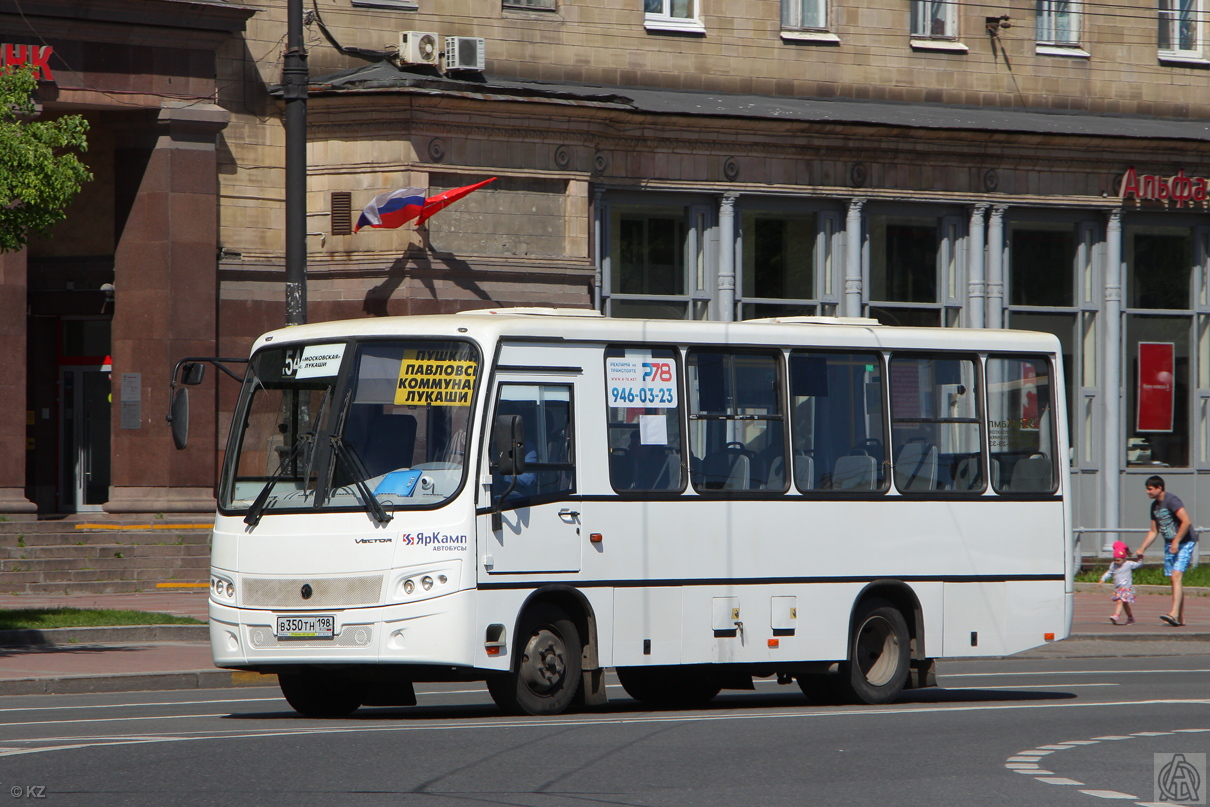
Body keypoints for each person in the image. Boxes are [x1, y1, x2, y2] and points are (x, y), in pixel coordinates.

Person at [1137, 475, 1198, 627]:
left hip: (1185, 541)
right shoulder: (1154, 507)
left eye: (1150, 489)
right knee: (1174, 578)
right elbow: (1153, 531)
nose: (1147, 492)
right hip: (1170, 543)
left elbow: (1186, 521)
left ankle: (1173, 613)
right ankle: (1180, 617)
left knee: (1176, 576)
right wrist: (1142, 548)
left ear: (1159, 488)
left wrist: (1176, 541)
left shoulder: (1172, 500)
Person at [1099, 540, 1142, 625]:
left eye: (1119, 560)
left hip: (1126, 588)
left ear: (1124, 558)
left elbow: (1138, 565)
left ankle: (1116, 616)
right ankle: (1130, 618)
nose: (1117, 562)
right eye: (1115, 560)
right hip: (1118, 588)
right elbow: (1109, 572)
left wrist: (1141, 558)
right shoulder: (1113, 565)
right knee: (1125, 604)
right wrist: (1103, 579)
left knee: (1119, 601)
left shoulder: (1128, 564)